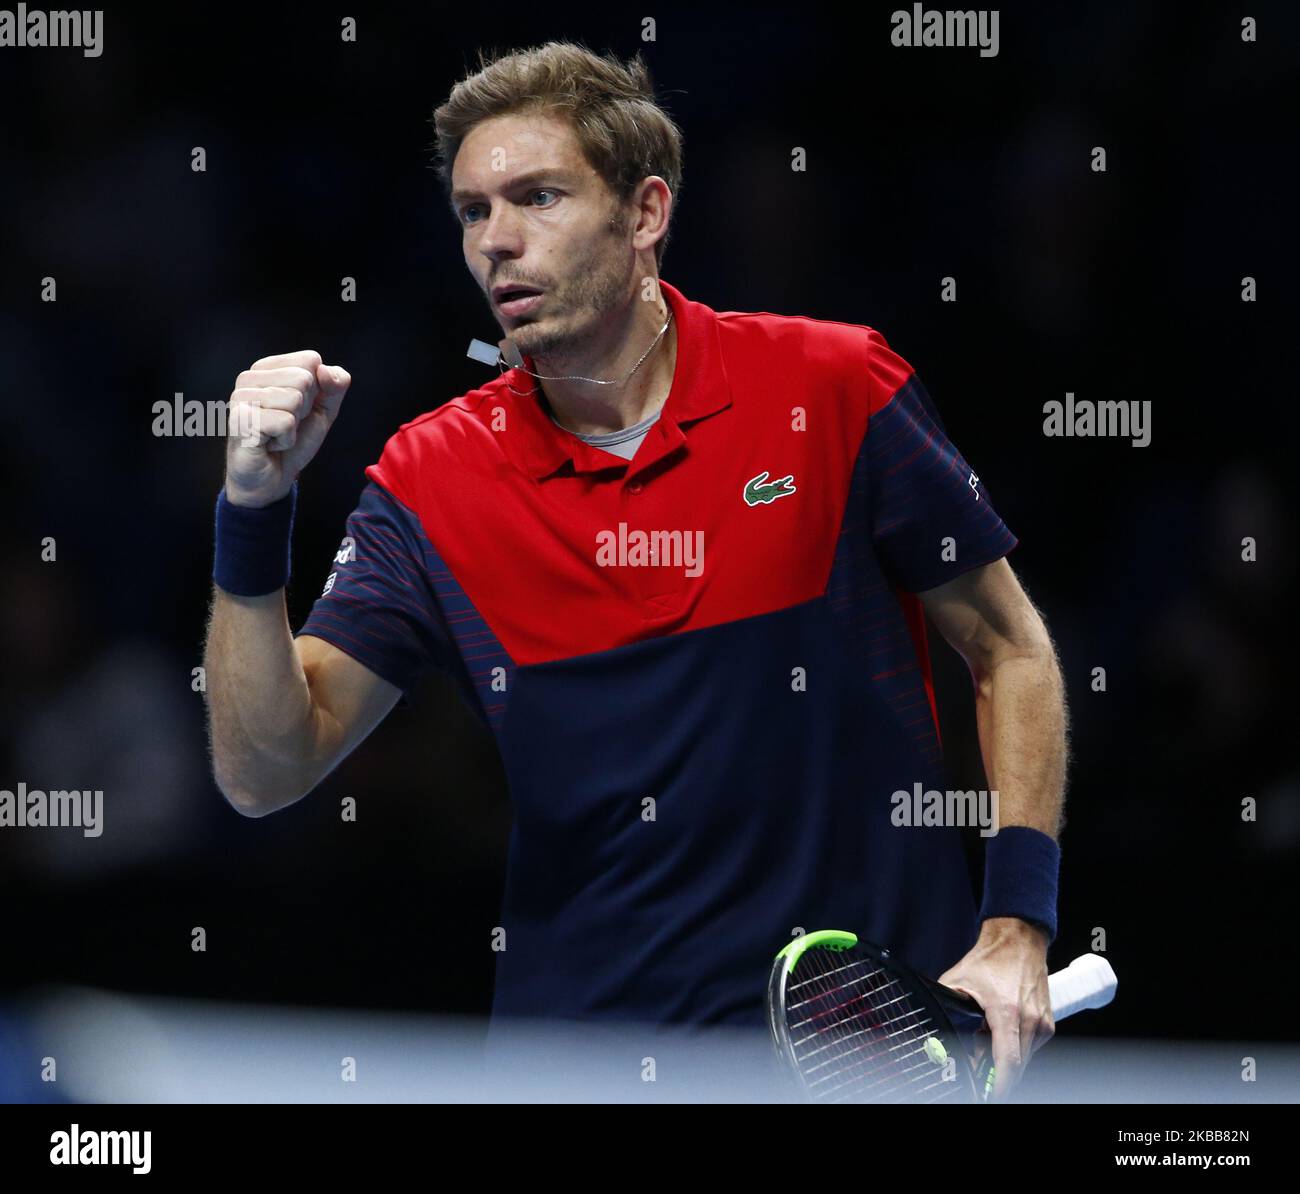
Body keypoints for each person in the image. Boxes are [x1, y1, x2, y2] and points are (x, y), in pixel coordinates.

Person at [203, 41, 1068, 1100]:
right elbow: (263, 771)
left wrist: (1016, 927)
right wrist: (253, 512)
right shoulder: (430, 479)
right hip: (581, 1067)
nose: (498, 243)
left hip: (869, 1060)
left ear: (645, 212)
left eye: (539, 197)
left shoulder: (833, 386)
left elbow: (1010, 649)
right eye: (473, 212)